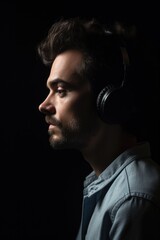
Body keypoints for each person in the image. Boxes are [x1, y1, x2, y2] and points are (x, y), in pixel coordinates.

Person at [37, 17, 160, 240]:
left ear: (108, 99)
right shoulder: (107, 188)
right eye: (49, 90)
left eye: (61, 90)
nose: (44, 105)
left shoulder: (132, 200)